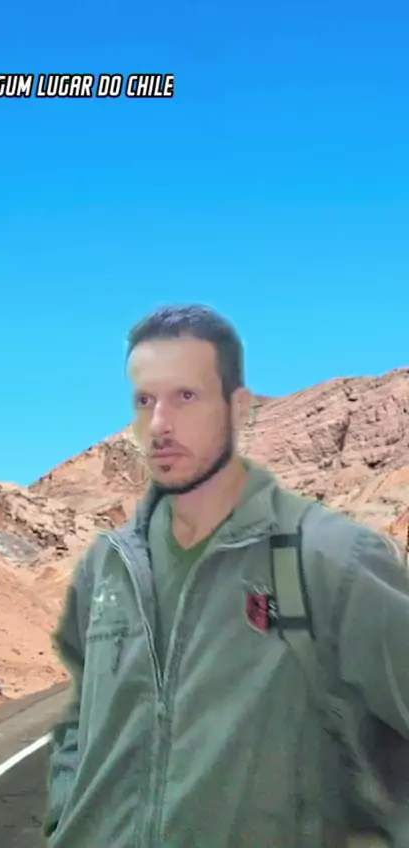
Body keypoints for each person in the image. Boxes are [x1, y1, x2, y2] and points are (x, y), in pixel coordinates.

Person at [43, 304, 409, 847]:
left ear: (237, 409)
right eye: (146, 400)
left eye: (185, 396)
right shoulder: (109, 566)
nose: (160, 424)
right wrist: (64, 819)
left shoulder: (331, 559)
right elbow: (81, 722)